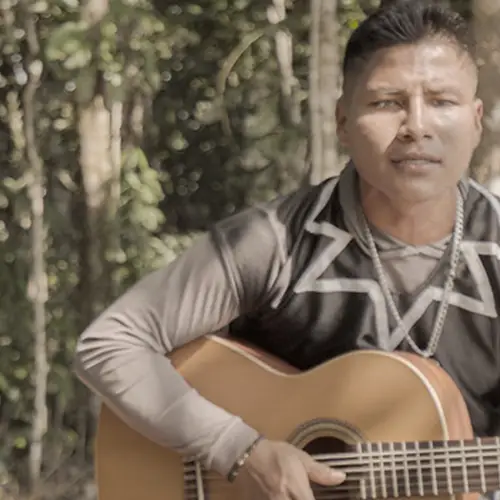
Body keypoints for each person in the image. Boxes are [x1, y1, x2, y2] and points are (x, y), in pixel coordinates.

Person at [73, 0, 500, 498]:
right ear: (342, 122)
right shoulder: (274, 240)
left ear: (476, 121)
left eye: (442, 101)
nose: (416, 126)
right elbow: (110, 343)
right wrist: (238, 449)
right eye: (387, 102)